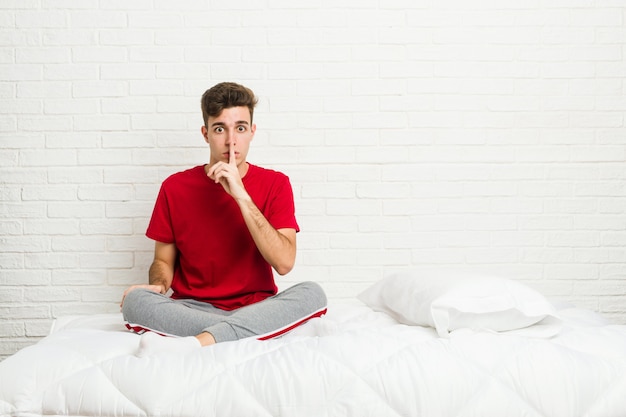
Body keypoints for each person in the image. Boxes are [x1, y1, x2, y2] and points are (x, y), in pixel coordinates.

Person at [120, 82, 327, 357]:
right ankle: (240, 332)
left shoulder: (276, 184)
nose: (231, 140)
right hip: (191, 308)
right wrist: (158, 285)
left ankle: (198, 342)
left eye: (240, 128)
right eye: (220, 129)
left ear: (252, 132)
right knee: (135, 301)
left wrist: (241, 196)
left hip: (257, 307)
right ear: (206, 134)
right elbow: (162, 261)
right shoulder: (174, 187)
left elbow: (284, 263)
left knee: (313, 294)